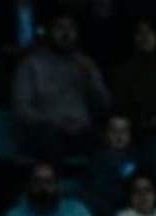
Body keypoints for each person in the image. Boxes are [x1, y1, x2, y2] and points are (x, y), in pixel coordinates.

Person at [10, 16, 110, 161]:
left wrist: (91, 76)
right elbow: (20, 108)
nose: (66, 33)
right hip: (47, 131)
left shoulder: (84, 64)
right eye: (59, 27)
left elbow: (103, 105)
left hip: (80, 130)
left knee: (105, 144)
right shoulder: (31, 63)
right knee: (49, 139)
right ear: (49, 31)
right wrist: (55, 123)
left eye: (71, 28)